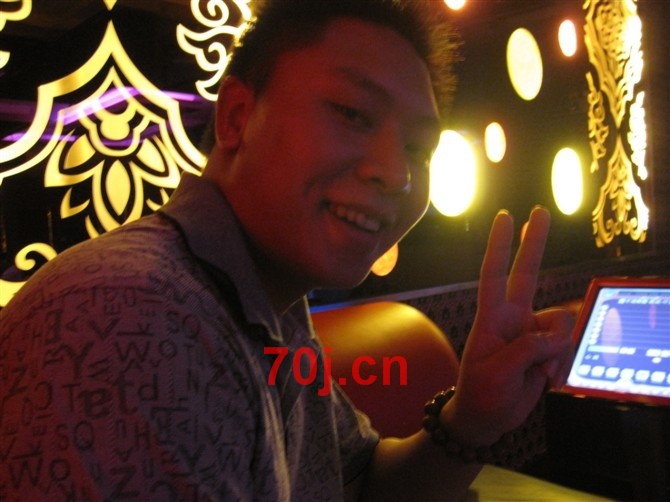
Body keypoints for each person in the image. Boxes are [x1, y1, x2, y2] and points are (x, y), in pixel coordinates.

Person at [0, 0, 574, 500]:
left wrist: (471, 418)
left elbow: (361, 484)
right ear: (237, 117)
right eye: (352, 113)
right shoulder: (134, 320)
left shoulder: (269, 302)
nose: (397, 173)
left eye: (418, 149)